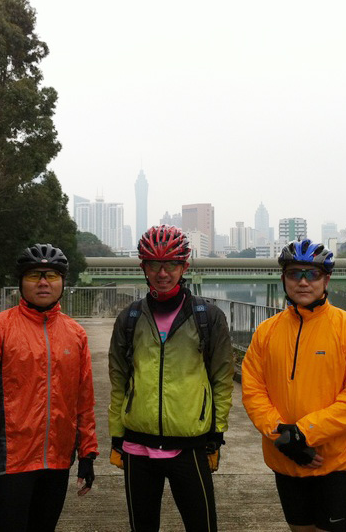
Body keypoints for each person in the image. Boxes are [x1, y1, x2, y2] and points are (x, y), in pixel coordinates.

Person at [0, 243, 98, 532]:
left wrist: (87, 452)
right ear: (21, 281)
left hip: (58, 461)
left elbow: (83, 399)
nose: (44, 282)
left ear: (63, 282)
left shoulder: (76, 334)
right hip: (11, 461)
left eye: (52, 275)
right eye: (34, 275)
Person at [241, 239, 346, 532]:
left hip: (338, 460)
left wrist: (304, 432)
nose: (303, 282)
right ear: (283, 279)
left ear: (326, 279)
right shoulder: (266, 332)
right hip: (285, 456)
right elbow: (253, 389)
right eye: (294, 274)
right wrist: (281, 434)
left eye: (312, 274)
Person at [107, 225, 235, 532]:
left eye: (171, 265)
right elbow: (118, 379)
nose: (162, 273)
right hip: (137, 444)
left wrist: (216, 431)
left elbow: (222, 377)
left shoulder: (208, 317)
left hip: (190, 444)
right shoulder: (130, 318)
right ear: (143, 267)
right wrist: (116, 434)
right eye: (154, 265)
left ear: (184, 267)